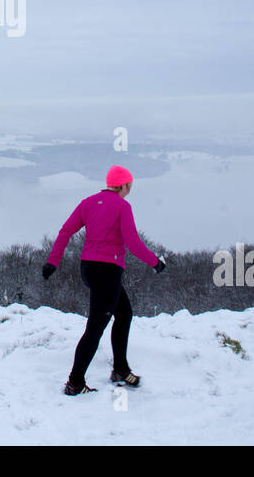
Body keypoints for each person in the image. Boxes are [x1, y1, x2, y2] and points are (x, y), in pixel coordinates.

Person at [42, 165, 166, 395]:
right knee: (95, 328)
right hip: (107, 272)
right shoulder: (123, 206)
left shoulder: (88, 203)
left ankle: (120, 368)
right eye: (130, 185)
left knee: (124, 313)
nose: (130, 189)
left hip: (88, 269)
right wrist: (155, 263)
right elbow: (133, 243)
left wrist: (53, 262)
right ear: (124, 185)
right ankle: (75, 383)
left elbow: (65, 231)